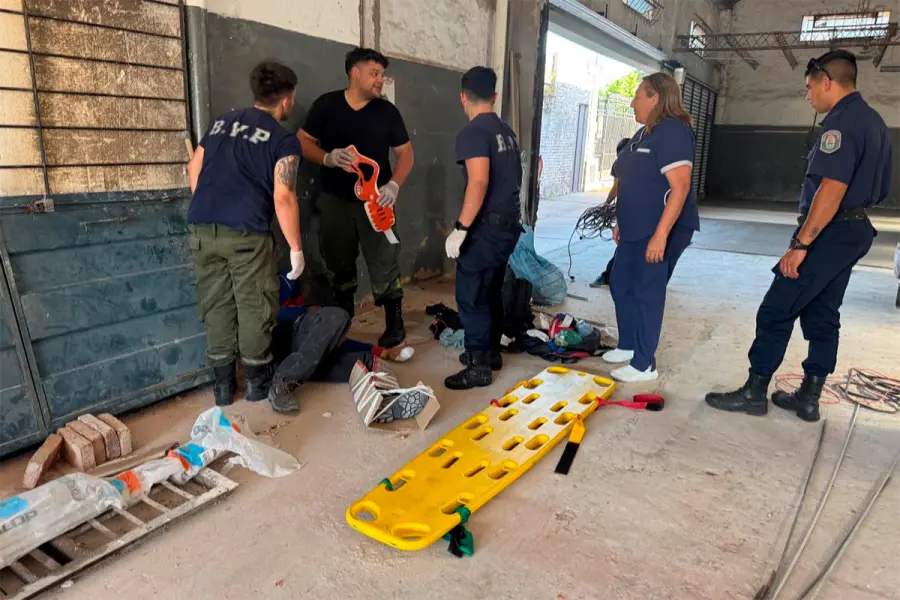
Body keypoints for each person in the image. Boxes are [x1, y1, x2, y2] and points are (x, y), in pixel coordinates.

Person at [706, 50, 892, 422]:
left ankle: (754, 391)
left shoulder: (840, 124)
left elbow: (831, 189)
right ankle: (808, 397)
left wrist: (800, 245)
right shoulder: (873, 121)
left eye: (809, 88)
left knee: (777, 308)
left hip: (830, 230)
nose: (808, 97)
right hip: (854, 229)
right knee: (824, 312)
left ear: (827, 81)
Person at [187, 61, 306, 407]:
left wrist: (211, 205)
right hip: (246, 234)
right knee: (255, 304)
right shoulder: (284, 140)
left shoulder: (221, 122)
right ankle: (255, 384)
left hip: (202, 228)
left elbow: (194, 167)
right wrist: (296, 249)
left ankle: (223, 389)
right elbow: (283, 197)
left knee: (216, 304)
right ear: (286, 101)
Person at [297, 47, 414, 349]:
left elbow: (405, 154)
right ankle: (342, 320)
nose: (380, 80)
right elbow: (303, 141)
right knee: (339, 263)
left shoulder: (387, 112)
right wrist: (326, 158)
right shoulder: (326, 106)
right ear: (355, 72)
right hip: (335, 201)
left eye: (382, 75)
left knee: (385, 260)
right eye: (375, 74)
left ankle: (395, 324)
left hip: (377, 202)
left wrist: (394, 186)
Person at [601, 72, 700, 383]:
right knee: (620, 283)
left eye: (638, 95)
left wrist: (660, 236)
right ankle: (629, 345)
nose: (632, 102)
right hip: (634, 227)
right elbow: (629, 180)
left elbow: (680, 188)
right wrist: (620, 219)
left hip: (660, 228)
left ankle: (644, 364)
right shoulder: (643, 135)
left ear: (655, 98)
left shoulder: (673, 132)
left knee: (647, 292)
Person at [444, 66, 523, 390]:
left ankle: (478, 365)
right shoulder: (506, 131)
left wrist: (461, 228)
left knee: (471, 294)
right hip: (508, 224)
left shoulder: (473, 132)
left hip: (487, 227)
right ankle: (491, 352)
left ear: (463, 97)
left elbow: (478, 182)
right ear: (495, 96)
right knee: (491, 289)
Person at [590, 137, 633, 289]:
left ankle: (609, 275)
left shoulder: (635, 164)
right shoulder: (621, 164)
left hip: (636, 211)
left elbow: (619, 188)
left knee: (626, 247)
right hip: (630, 211)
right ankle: (610, 275)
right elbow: (617, 187)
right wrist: (607, 205)